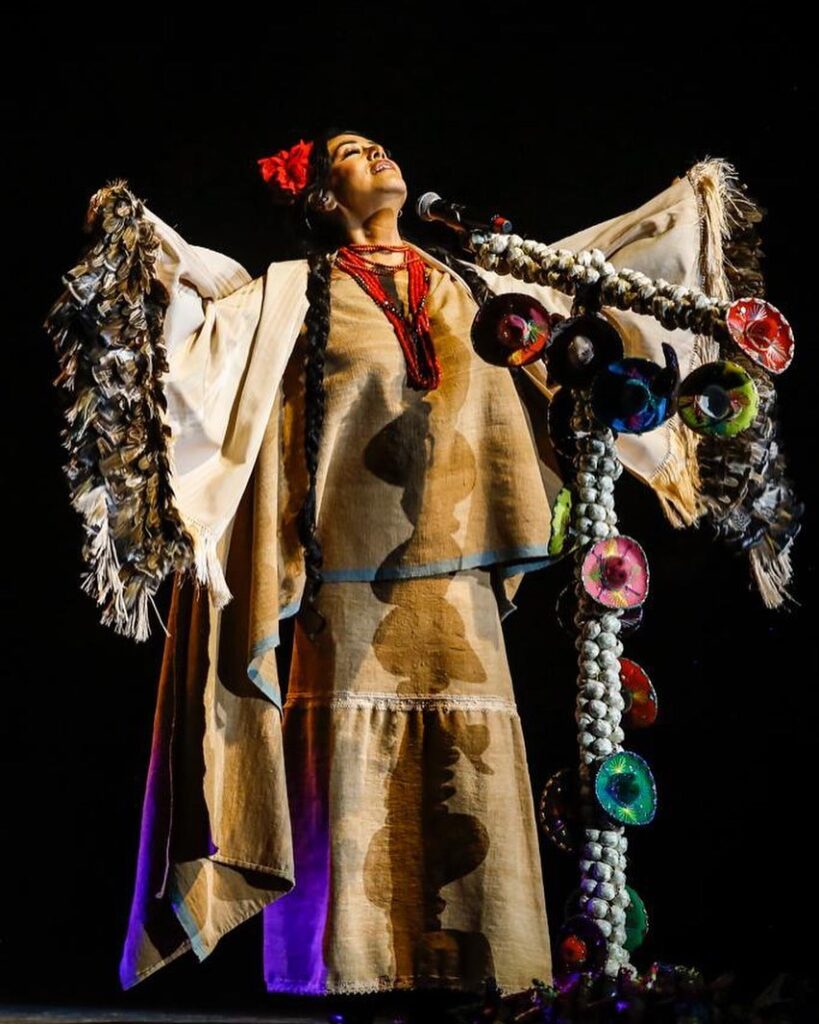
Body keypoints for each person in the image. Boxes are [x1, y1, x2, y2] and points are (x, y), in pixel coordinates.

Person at [43, 124, 794, 1023]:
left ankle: (482, 972)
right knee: (348, 774)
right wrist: (141, 243)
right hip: (342, 580)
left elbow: (591, 294)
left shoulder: (476, 285)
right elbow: (198, 346)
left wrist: (680, 217)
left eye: (380, 147)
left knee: (467, 761)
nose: (379, 156)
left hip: (456, 576)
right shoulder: (286, 297)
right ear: (324, 200)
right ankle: (356, 977)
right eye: (352, 153)